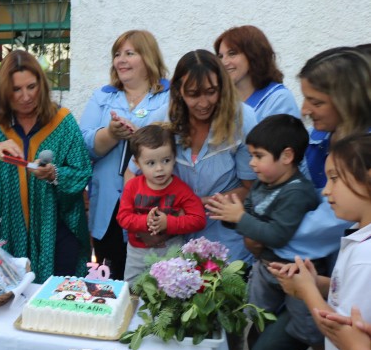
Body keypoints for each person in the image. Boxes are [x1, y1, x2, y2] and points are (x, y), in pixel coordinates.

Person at [240, 47, 371, 350]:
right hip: (321, 273)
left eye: (316, 100)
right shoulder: (333, 138)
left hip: (319, 273)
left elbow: (327, 215)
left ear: (347, 97)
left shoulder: (358, 150)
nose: (306, 108)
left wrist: (269, 236)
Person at [271, 133, 371, 350]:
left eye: (334, 178)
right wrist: (320, 284)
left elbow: (344, 331)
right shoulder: (361, 240)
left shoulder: (365, 259)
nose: (325, 190)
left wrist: (307, 293)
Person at [0, 50, 92, 282]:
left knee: (56, 304)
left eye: (31, 87)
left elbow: (81, 171)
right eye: (16, 89)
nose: (25, 96)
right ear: (5, 92)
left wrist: (54, 173)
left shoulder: (62, 122)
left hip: (57, 233)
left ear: (41, 85)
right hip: (8, 235)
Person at [80, 30, 170, 280]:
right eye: (117, 54)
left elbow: (174, 143)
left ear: (148, 57)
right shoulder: (103, 96)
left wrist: (141, 137)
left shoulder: (169, 96)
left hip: (152, 206)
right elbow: (83, 146)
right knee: (110, 280)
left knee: (150, 281)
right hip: (108, 206)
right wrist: (110, 134)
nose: (121, 60)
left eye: (130, 53)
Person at [208, 114, 319, 315]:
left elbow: (277, 235)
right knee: (256, 316)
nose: (251, 163)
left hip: (295, 273)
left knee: (304, 327)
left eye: (258, 156)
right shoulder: (261, 183)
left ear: (286, 156)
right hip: (264, 268)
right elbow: (249, 216)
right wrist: (228, 216)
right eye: (251, 155)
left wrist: (239, 218)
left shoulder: (297, 192)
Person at [158, 50, 258, 264]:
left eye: (211, 92)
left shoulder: (242, 119)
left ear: (222, 87)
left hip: (227, 244)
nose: (203, 103)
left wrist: (198, 204)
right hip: (174, 242)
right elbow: (136, 172)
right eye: (193, 94)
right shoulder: (163, 120)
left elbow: (252, 188)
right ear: (178, 91)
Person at [116, 124, 206, 281]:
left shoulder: (181, 189)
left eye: (166, 160)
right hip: (138, 254)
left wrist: (168, 223)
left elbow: (198, 219)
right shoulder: (133, 186)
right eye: (151, 163)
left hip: (172, 252)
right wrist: (147, 221)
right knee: (132, 292)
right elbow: (122, 217)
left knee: (172, 294)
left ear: (174, 157)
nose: (159, 168)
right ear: (137, 163)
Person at [214, 25, 300, 120]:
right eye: (220, 56)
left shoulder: (279, 99)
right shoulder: (221, 101)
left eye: (232, 54)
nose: (224, 62)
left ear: (253, 55)